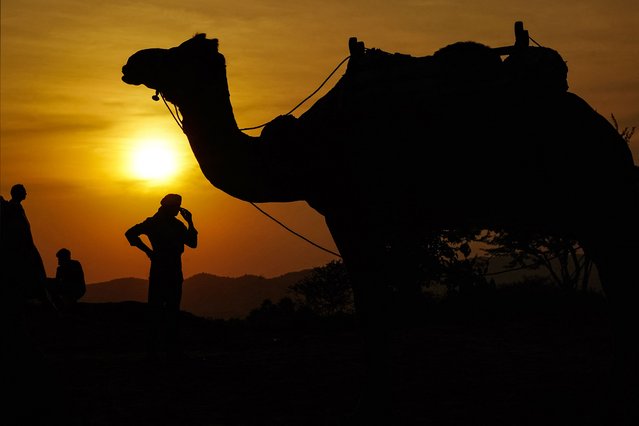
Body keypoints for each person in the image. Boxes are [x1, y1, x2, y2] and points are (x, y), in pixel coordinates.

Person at [125, 193, 197, 360]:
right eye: (176, 207)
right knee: (162, 311)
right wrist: (149, 252)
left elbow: (192, 243)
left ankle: (164, 350)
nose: (178, 211)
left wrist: (190, 222)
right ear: (168, 207)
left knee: (166, 311)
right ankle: (158, 351)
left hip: (169, 270)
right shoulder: (155, 223)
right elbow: (130, 233)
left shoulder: (172, 224)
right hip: (163, 271)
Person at [1, 184, 47, 304]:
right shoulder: (12, 208)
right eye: (23, 191)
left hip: (25, 246)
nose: (26, 193)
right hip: (19, 247)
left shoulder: (16, 207)